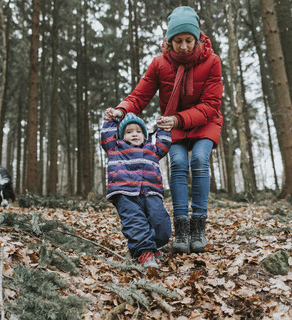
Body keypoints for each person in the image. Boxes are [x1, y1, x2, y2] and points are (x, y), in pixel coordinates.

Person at [105, 6, 223, 254]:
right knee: (178, 163)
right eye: (178, 41)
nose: (183, 46)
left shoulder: (212, 61)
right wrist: (121, 111)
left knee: (200, 160)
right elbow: (139, 96)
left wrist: (178, 120)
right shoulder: (160, 64)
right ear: (169, 41)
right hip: (174, 126)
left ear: (197, 38)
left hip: (204, 121)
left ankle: (198, 225)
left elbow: (211, 105)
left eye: (188, 40)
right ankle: (181, 227)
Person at [101, 112, 172, 268]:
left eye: (138, 131)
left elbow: (165, 144)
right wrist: (111, 119)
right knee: (135, 222)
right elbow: (106, 136)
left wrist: (163, 128)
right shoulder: (115, 148)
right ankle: (144, 251)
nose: (134, 134)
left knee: (162, 224)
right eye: (129, 131)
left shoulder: (152, 149)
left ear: (145, 135)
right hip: (124, 193)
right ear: (122, 135)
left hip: (151, 192)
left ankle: (154, 246)